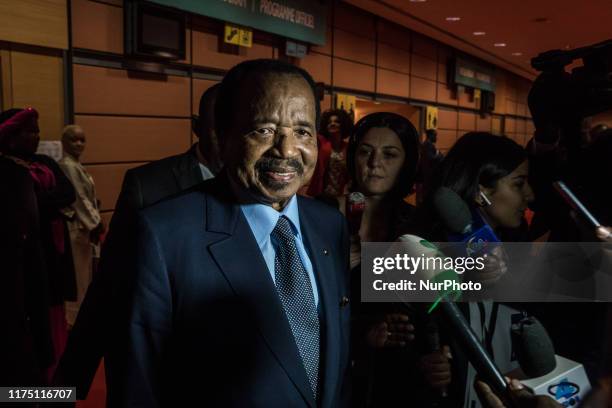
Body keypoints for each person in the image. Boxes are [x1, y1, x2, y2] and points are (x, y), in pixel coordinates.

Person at [105, 59, 350, 407]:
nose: (286, 149)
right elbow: (138, 385)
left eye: (302, 131)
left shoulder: (329, 225)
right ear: (223, 135)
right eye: (263, 130)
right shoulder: (163, 235)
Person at [55, 84, 223, 397]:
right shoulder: (150, 185)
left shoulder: (263, 189)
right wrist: (66, 388)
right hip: (165, 371)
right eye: (220, 127)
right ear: (198, 127)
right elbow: (110, 285)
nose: (232, 139)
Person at [408, 132, 536, 408]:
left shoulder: (516, 245)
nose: (530, 195)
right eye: (519, 184)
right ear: (482, 192)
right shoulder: (426, 250)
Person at [337, 112, 420, 407]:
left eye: (390, 154)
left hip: (397, 378)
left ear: (406, 163)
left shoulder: (417, 225)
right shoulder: (321, 216)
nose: (375, 163)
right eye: (365, 152)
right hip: (337, 371)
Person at [0, 108, 77, 382]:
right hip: (25, 262)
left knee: (54, 324)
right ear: (10, 136)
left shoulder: (44, 162)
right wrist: (47, 203)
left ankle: (56, 391)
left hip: (51, 253)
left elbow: (68, 193)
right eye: (30, 131)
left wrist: (42, 201)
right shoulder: (7, 173)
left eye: (37, 130)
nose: (37, 136)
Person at [59, 125, 103, 326]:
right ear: (63, 142)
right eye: (73, 140)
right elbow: (79, 198)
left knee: (85, 275)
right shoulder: (68, 165)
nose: (78, 144)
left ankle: (81, 318)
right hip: (77, 228)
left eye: (82, 140)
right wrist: (96, 223)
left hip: (83, 228)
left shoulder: (76, 165)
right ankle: (75, 321)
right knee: (78, 277)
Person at [307, 109, 353, 197]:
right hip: (321, 193)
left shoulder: (347, 148)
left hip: (341, 194)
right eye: (329, 122)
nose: (332, 124)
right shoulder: (320, 142)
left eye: (337, 121)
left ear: (343, 125)